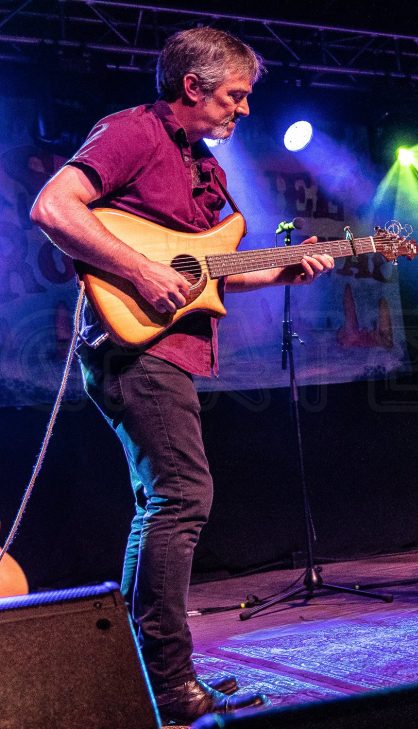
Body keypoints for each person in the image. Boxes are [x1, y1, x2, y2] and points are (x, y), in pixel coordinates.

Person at [30, 28, 335, 723]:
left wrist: (283, 272)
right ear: (192, 86)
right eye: (235, 95)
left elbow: (204, 274)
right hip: (135, 349)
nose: (244, 109)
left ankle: (146, 672)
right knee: (182, 497)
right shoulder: (133, 131)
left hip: (166, 351)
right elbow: (52, 206)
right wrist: (140, 269)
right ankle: (167, 681)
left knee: (166, 501)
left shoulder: (207, 170)